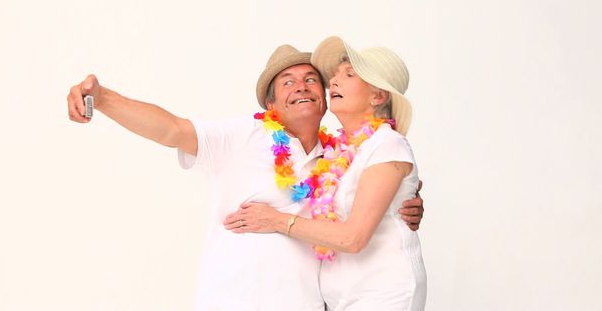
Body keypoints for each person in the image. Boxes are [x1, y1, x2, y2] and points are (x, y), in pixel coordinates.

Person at [66, 43, 424, 311]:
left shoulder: (338, 158)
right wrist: (104, 98)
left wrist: (405, 203)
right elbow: (171, 129)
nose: (301, 86)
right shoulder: (242, 136)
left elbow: (366, 208)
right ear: (270, 104)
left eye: (311, 80)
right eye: (287, 82)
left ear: (324, 98)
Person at [223, 37, 426, 310]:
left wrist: (275, 220)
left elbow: (352, 238)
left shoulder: (388, 145)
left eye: (349, 75)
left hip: (383, 294)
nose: (333, 82)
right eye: (335, 76)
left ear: (378, 96)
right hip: (341, 298)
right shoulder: (337, 154)